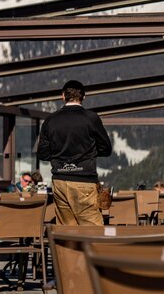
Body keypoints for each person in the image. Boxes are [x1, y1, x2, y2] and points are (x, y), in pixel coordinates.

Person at [35, 80, 112, 225]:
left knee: (67, 231)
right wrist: (88, 153)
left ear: (63, 96)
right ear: (84, 97)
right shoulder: (91, 118)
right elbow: (106, 149)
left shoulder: (50, 120)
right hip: (84, 180)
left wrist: (60, 156)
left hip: (59, 181)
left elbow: (43, 154)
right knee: (93, 231)